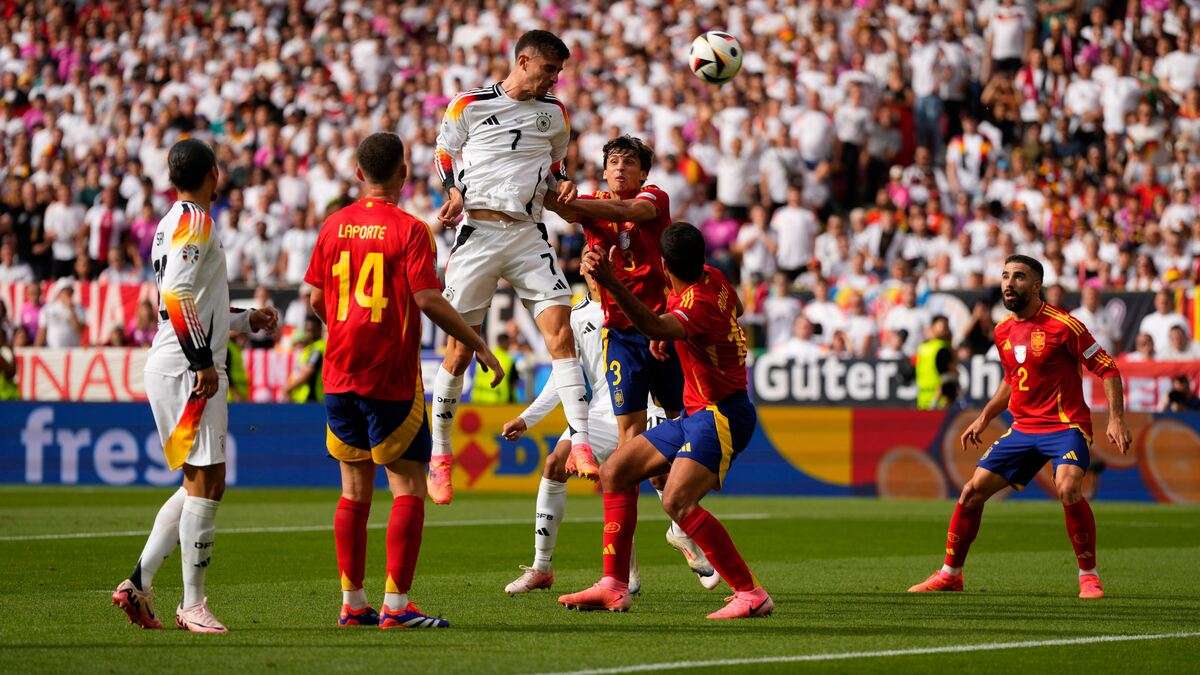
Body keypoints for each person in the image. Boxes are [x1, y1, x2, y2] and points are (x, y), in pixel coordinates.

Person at [305, 132, 503, 630]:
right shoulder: (411, 230)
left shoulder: (332, 226)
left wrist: (346, 329)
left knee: (353, 490)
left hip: (338, 373)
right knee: (408, 487)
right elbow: (427, 299)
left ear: (357, 174)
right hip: (389, 375)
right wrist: (475, 341)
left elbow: (313, 300)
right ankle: (396, 607)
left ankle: (352, 604)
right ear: (404, 174)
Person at [559, 224, 773, 620]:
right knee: (616, 471)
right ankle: (614, 586)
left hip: (720, 416)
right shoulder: (714, 278)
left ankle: (750, 593)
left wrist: (614, 283)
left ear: (663, 264)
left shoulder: (698, 303)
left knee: (676, 500)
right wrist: (676, 333)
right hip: (695, 414)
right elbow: (734, 311)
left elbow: (661, 323)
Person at [112, 139, 279, 633]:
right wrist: (203, 362)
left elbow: (194, 301)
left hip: (172, 358)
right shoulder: (197, 222)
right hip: (187, 366)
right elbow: (177, 293)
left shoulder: (170, 223)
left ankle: (139, 582)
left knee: (197, 480)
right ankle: (193, 603)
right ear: (215, 175)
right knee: (209, 480)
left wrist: (246, 320)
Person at [429, 29, 594, 505]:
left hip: (527, 232)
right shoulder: (468, 104)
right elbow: (444, 151)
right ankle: (441, 456)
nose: (555, 79)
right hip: (478, 232)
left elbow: (559, 165)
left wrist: (563, 185)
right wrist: (453, 190)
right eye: (549, 70)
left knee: (559, 333)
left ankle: (580, 442)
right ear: (524, 62)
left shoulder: (554, 113)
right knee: (459, 352)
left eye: (559, 72)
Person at [909, 255, 1131, 599]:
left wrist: (1116, 418)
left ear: (1037, 285)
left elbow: (1108, 367)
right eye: (1005, 276)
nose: (1009, 283)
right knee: (971, 492)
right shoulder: (1003, 331)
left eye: (1019, 277)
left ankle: (1089, 576)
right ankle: (951, 574)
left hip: (1065, 426)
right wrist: (984, 417)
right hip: (1024, 428)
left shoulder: (1065, 325)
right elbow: (1013, 380)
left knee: (1069, 487)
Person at [499, 275, 719, 596]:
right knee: (554, 465)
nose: (592, 266)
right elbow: (565, 374)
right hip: (601, 413)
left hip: (646, 408)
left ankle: (679, 533)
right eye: (588, 259)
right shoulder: (576, 317)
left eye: (598, 259)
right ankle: (541, 567)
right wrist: (527, 417)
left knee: (662, 480)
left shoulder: (638, 306)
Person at [541, 135, 684, 455]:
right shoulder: (592, 204)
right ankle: (632, 489)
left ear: (644, 173)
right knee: (629, 431)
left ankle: (681, 492)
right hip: (621, 334)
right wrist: (550, 188)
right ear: (605, 171)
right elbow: (561, 209)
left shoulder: (655, 197)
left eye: (629, 163)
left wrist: (569, 203)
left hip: (662, 327)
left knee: (680, 419)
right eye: (614, 162)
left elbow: (628, 210)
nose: (620, 168)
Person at [915, 315, 958, 410]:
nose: (946, 330)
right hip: (939, 402)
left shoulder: (922, 348)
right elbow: (948, 379)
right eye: (944, 327)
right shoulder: (942, 349)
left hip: (922, 400)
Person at [286, 315, 325, 404]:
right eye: (307, 330)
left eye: (312, 330)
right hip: (301, 399)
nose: (309, 334)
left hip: (311, 398)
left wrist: (287, 389)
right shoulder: (308, 349)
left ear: (319, 330)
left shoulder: (318, 349)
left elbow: (307, 373)